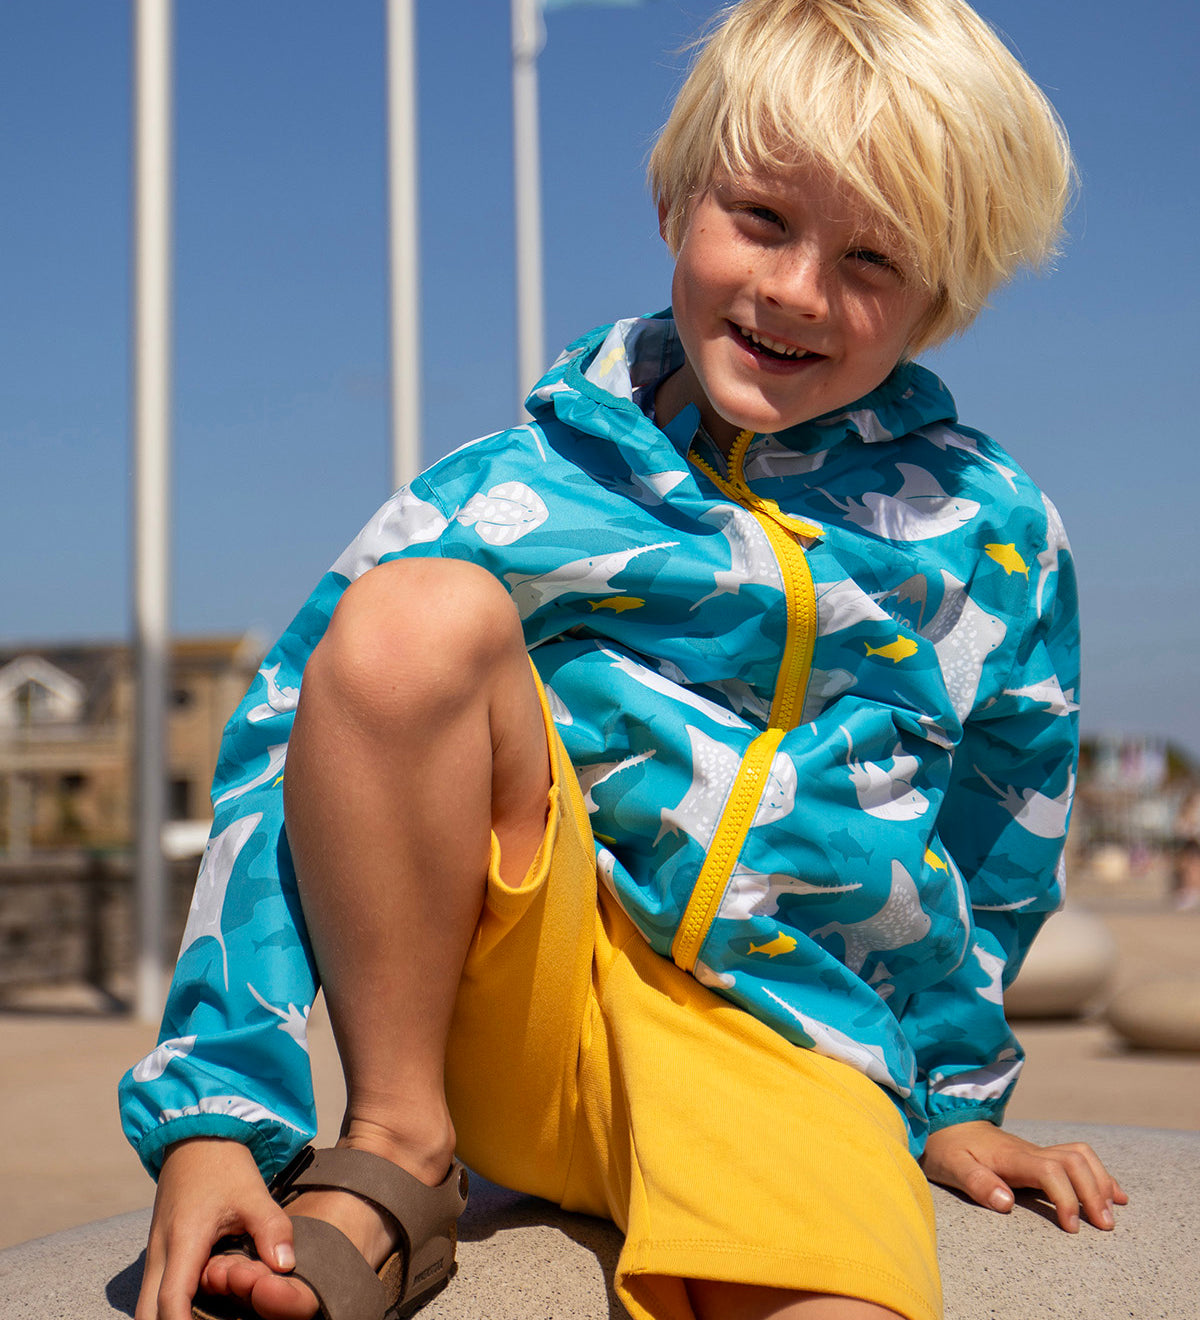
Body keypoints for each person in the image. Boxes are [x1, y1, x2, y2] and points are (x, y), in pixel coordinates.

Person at [120, 3, 1128, 1318]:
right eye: (762, 220)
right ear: (673, 202)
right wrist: (216, 1110)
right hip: (517, 1006)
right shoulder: (523, 490)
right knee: (406, 620)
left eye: (874, 259)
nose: (795, 291)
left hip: (792, 1046)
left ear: (944, 301)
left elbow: (1005, 830)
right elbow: (294, 741)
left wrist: (953, 1100)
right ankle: (397, 1154)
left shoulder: (989, 535)